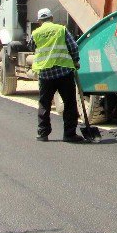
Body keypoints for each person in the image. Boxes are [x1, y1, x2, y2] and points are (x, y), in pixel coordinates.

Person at [30, 8, 83, 143]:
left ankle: (42, 134)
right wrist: (75, 60)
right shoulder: (61, 30)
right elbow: (73, 47)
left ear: (39, 21)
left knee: (44, 104)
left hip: (45, 75)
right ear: (52, 18)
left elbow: (31, 47)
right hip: (63, 73)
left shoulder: (36, 33)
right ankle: (69, 134)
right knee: (69, 103)